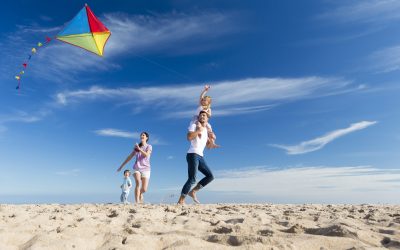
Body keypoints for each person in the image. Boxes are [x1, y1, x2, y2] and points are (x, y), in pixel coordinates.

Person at [178, 110, 216, 205]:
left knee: (210, 176)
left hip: (200, 156)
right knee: (192, 179)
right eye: (201, 115)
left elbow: (207, 146)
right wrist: (198, 130)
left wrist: (211, 143)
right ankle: (181, 200)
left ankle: (193, 191)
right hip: (192, 154)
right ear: (198, 117)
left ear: (207, 118)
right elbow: (189, 137)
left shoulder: (206, 131)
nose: (202, 116)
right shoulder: (194, 125)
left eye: (204, 115)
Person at [117, 132, 152, 204]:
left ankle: (140, 194)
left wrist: (140, 149)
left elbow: (146, 154)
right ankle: (137, 202)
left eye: (143, 135)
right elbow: (129, 157)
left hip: (146, 169)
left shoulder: (149, 146)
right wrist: (121, 166)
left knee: (144, 189)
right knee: (138, 183)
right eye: (141, 135)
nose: (142, 136)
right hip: (137, 168)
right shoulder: (137, 148)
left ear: (147, 138)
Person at [193, 85, 219, 149]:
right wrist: (205, 90)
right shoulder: (200, 105)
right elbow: (201, 96)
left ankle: (212, 143)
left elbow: (209, 115)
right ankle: (199, 135)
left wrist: (205, 112)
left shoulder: (208, 109)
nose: (203, 101)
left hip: (205, 121)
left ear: (208, 102)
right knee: (198, 125)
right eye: (203, 100)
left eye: (205, 100)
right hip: (197, 119)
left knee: (210, 130)